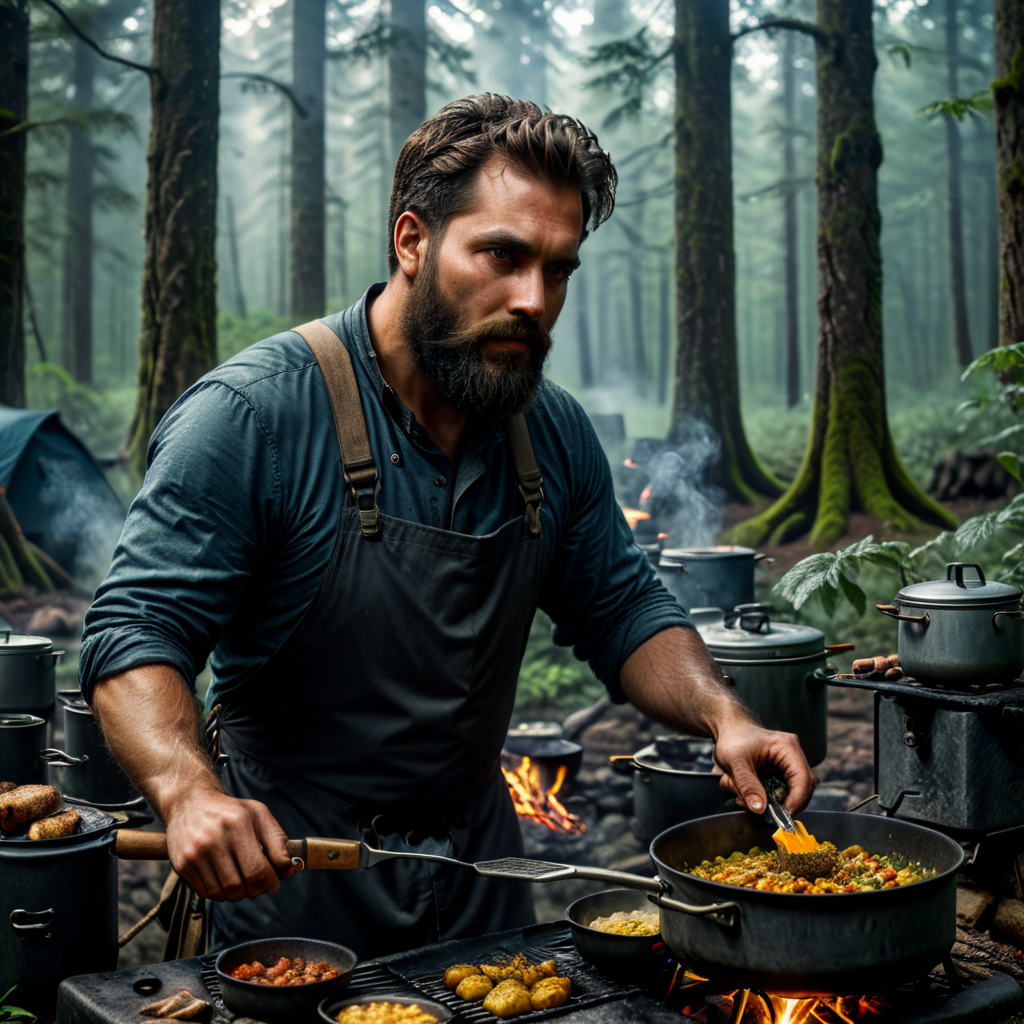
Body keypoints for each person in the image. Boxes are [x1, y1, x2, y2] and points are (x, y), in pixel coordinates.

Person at [81, 94, 815, 958]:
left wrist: (724, 715)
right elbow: (135, 630)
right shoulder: (252, 417)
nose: (533, 300)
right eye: (501, 255)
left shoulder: (555, 432)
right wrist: (186, 790)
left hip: (483, 882)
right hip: (288, 886)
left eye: (557, 268)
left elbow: (623, 610)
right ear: (412, 241)